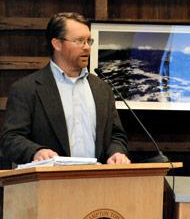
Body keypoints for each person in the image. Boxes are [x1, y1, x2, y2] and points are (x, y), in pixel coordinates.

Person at [0, 12, 130, 164]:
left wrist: (116, 152)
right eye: (79, 41)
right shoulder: (27, 89)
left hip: (98, 182)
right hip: (50, 182)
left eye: (89, 41)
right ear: (57, 44)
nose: (87, 47)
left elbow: (116, 135)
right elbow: (11, 139)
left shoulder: (102, 89)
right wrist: (35, 151)